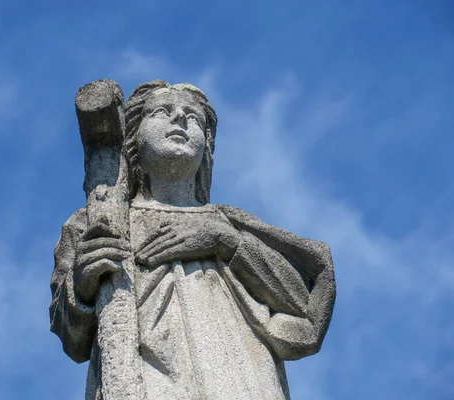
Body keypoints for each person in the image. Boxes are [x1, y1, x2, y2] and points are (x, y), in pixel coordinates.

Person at [50, 80, 336, 400]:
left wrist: (223, 241)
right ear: (133, 138)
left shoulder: (230, 224)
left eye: (194, 117)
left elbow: (302, 306)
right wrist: (84, 289)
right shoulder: (96, 222)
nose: (181, 120)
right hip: (143, 381)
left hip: (241, 380)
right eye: (162, 111)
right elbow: (72, 338)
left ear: (206, 149)